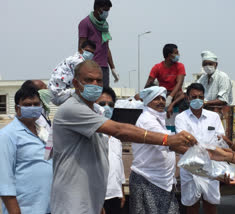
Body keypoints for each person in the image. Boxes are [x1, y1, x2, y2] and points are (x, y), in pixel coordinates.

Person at [50, 60, 197, 214]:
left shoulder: (95, 112)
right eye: (88, 80)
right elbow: (119, 130)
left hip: (89, 201)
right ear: (75, 82)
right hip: (71, 203)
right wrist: (167, 139)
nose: (94, 84)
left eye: (99, 81)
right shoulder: (72, 108)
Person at [0, 85, 52, 214]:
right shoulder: (7, 135)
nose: (33, 108)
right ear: (18, 108)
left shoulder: (44, 132)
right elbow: (5, 181)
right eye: (27, 105)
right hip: (25, 209)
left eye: (36, 104)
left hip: (50, 207)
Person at [175, 83, 225, 214]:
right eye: (194, 96)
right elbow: (183, 142)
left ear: (204, 98)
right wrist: (205, 149)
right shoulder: (181, 118)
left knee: (211, 203)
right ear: (188, 98)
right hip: (190, 168)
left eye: (200, 97)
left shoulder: (214, 117)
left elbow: (220, 138)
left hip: (211, 166)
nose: (197, 99)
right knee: (192, 204)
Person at [130, 86, 181, 213]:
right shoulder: (147, 120)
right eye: (156, 99)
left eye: (163, 98)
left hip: (162, 180)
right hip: (148, 179)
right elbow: (169, 143)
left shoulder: (158, 119)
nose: (161, 102)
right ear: (148, 101)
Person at [95, 87, 126, 214]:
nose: (107, 107)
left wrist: (122, 191)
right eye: (102, 104)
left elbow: (119, 166)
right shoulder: (91, 135)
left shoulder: (115, 138)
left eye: (111, 105)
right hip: (98, 198)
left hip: (115, 196)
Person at [78, 0, 119, 88]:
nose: (106, 13)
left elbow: (106, 48)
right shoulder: (85, 23)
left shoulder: (104, 25)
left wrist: (113, 68)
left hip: (104, 68)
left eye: (108, 10)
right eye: (105, 10)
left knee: (103, 95)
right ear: (97, 8)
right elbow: (81, 48)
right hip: (91, 67)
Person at [49, 40, 96, 105]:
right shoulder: (78, 61)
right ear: (81, 50)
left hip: (59, 94)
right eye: (87, 51)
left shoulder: (73, 58)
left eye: (92, 52)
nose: (90, 54)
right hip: (60, 94)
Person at [144, 43, 186, 111]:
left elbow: (179, 83)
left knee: (181, 95)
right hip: (163, 93)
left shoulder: (180, 66)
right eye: (176, 53)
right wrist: (144, 95)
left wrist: (170, 97)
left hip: (175, 94)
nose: (179, 54)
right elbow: (148, 84)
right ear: (170, 55)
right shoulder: (157, 67)